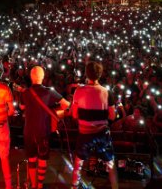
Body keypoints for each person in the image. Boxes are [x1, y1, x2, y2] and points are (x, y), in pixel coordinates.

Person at [20, 66, 70, 189]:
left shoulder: (25, 92)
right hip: (44, 130)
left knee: (31, 159)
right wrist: (55, 110)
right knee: (42, 159)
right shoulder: (49, 92)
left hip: (29, 131)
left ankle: (33, 184)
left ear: (31, 77)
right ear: (43, 77)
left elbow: (21, 108)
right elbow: (66, 105)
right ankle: (40, 185)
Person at [70, 61, 118, 189]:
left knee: (78, 161)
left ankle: (74, 185)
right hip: (102, 134)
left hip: (84, 134)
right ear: (100, 74)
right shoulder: (107, 93)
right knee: (110, 162)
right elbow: (112, 116)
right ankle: (115, 186)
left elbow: (74, 115)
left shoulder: (78, 91)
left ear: (86, 74)